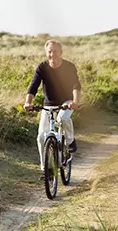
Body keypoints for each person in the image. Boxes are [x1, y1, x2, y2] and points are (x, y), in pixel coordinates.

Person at [23, 39, 81, 178]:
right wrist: (27, 102)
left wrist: (75, 101)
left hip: (67, 102)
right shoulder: (42, 67)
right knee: (41, 136)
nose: (52, 54)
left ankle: (70, 140)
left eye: (55, 51)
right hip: (48, 105)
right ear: (46, 52)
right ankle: (46, 169)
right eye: (49, 51)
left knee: (63, 117)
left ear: (60, 53)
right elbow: (33, 87)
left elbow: (76, 86)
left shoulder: (69, 67)